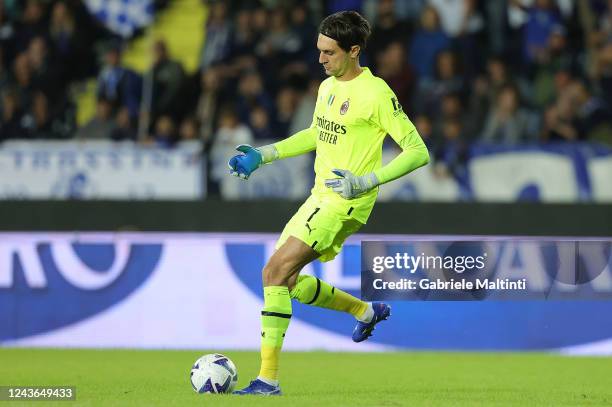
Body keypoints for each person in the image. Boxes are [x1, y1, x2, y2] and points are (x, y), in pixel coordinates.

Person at [228, 11, 429, 396]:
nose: (320, 59)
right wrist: (263, 155)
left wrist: (368, 180)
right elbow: (314, 134)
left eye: (329, 52)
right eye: (319, 50)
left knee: (273, 274)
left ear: (354, 51)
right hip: (319, 195)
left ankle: (267, 380)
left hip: (345, 202)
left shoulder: (377, 93)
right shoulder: (328, 87)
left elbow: (418, 152)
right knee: (286, 281)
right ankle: (365, 311)